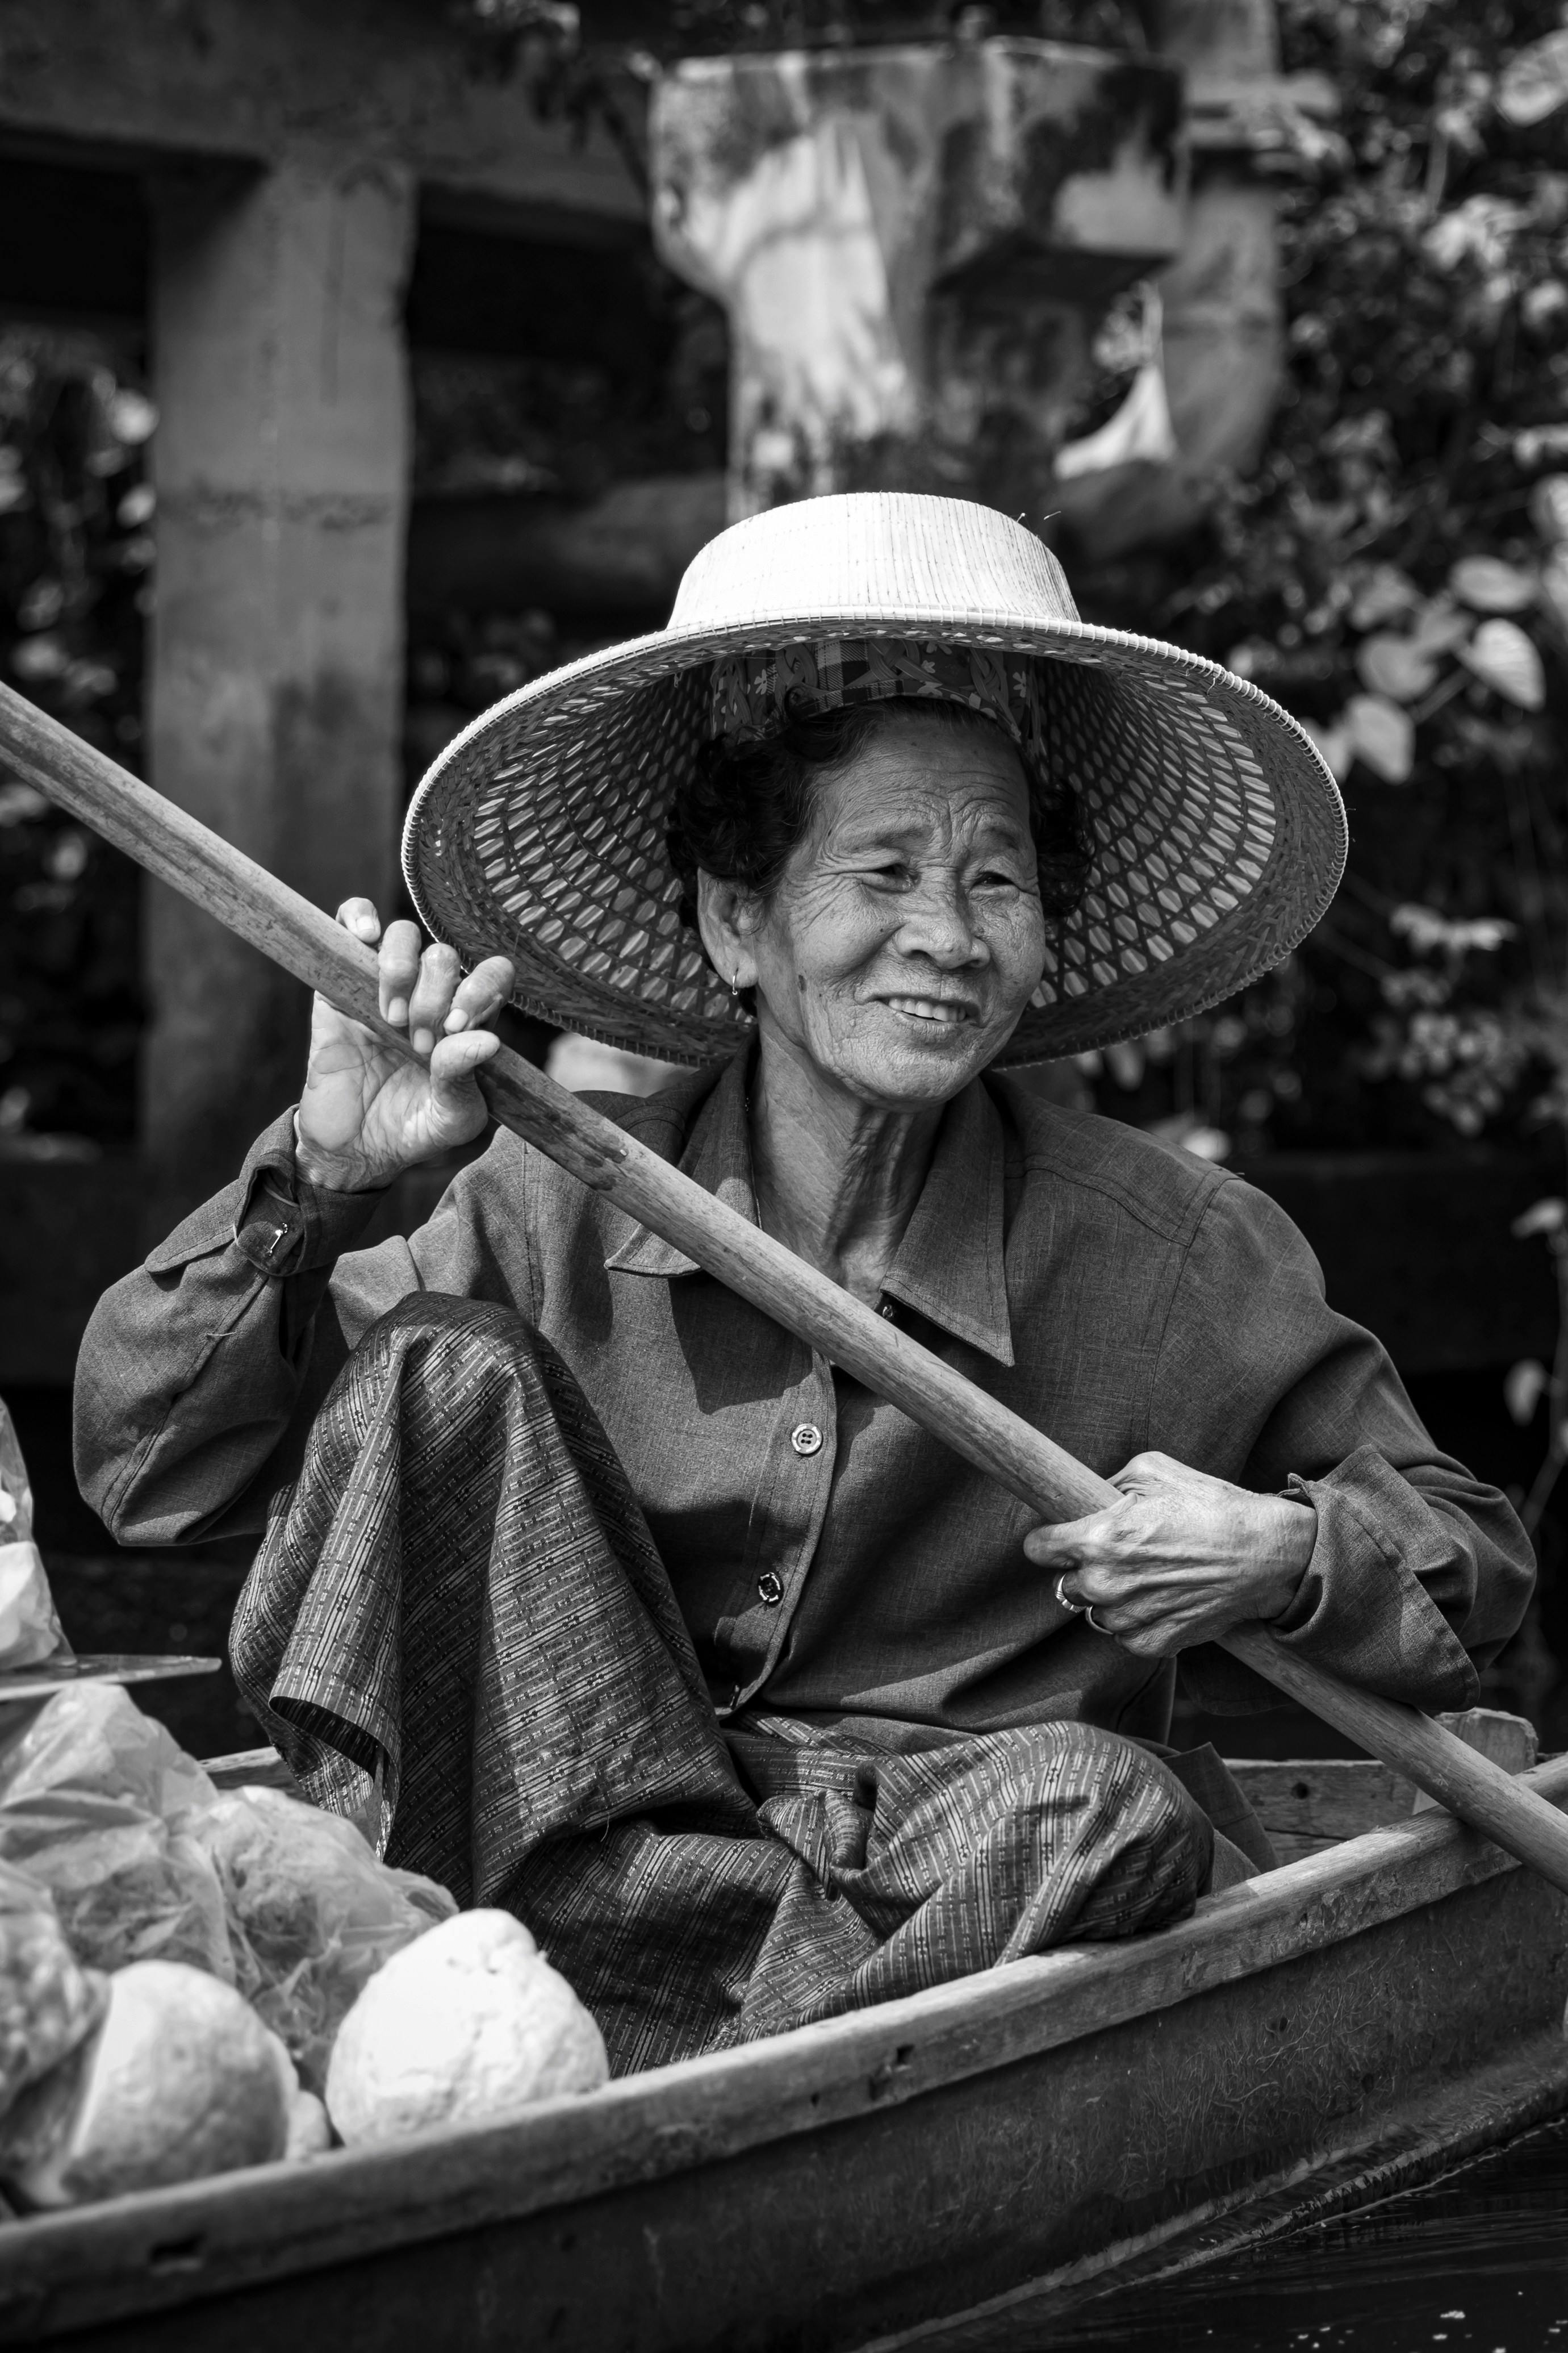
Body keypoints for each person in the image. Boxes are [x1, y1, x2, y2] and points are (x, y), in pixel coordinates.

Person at [74, 494, 1532, 2074]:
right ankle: (615, 2027)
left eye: (995, 883)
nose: (945, 938)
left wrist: (1279, 1555)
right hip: (577, 1851)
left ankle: (681, 2084)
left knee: (1104, 1806)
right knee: (435, 1369)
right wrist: (324, 1175)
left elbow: (1472, 1570)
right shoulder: (545, 1193)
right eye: (883, 872)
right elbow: (149, 1474)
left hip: (938, 1884)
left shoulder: (1176, 1249)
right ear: (737, 919)